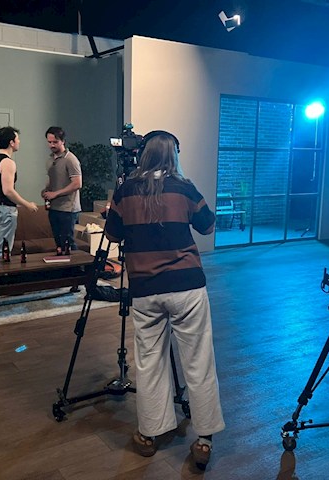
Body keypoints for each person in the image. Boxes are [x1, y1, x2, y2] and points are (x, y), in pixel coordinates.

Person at [104, 130, 225, 470]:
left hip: (145, 290)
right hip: (187, 287)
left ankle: (149, 433)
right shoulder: (184, 187)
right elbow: (208, 226)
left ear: (143, 155)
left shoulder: (125, 190)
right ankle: (204, 440)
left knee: (149, 361)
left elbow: (112, 234)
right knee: (199, 361)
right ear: (174, 155)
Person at [0, 126, 38, 255]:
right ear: (11, 142)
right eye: (17, 139)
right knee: (3, 251)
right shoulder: (7, 162)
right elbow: (8, 191)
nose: (19, 141)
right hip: (5, 210)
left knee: (0, 247)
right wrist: (28, 205)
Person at [41, 126, 82, 251]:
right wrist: (46, 190)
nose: (52, 145)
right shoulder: (50, 160)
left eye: (55, 142)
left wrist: (56, 194)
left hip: (68, 208)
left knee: (68, 242)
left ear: (63, 141)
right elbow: (52, 179)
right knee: (58, 243)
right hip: (54, 207)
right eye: (49, 142)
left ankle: (77, 263)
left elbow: (77, 183)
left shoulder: (70, 159)